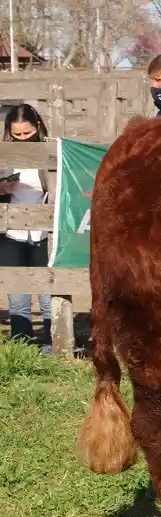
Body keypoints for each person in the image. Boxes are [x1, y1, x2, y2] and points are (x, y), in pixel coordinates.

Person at [1, 105, 54, 351]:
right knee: (18, 294)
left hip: (44, 233)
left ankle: (51, 343)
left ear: (38, 128)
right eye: (17, 134)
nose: (23, 138)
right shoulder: (4, 155)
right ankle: (22, 345)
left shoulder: (50, 152)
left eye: (27, 133)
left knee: (47, 291)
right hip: (11, 232)